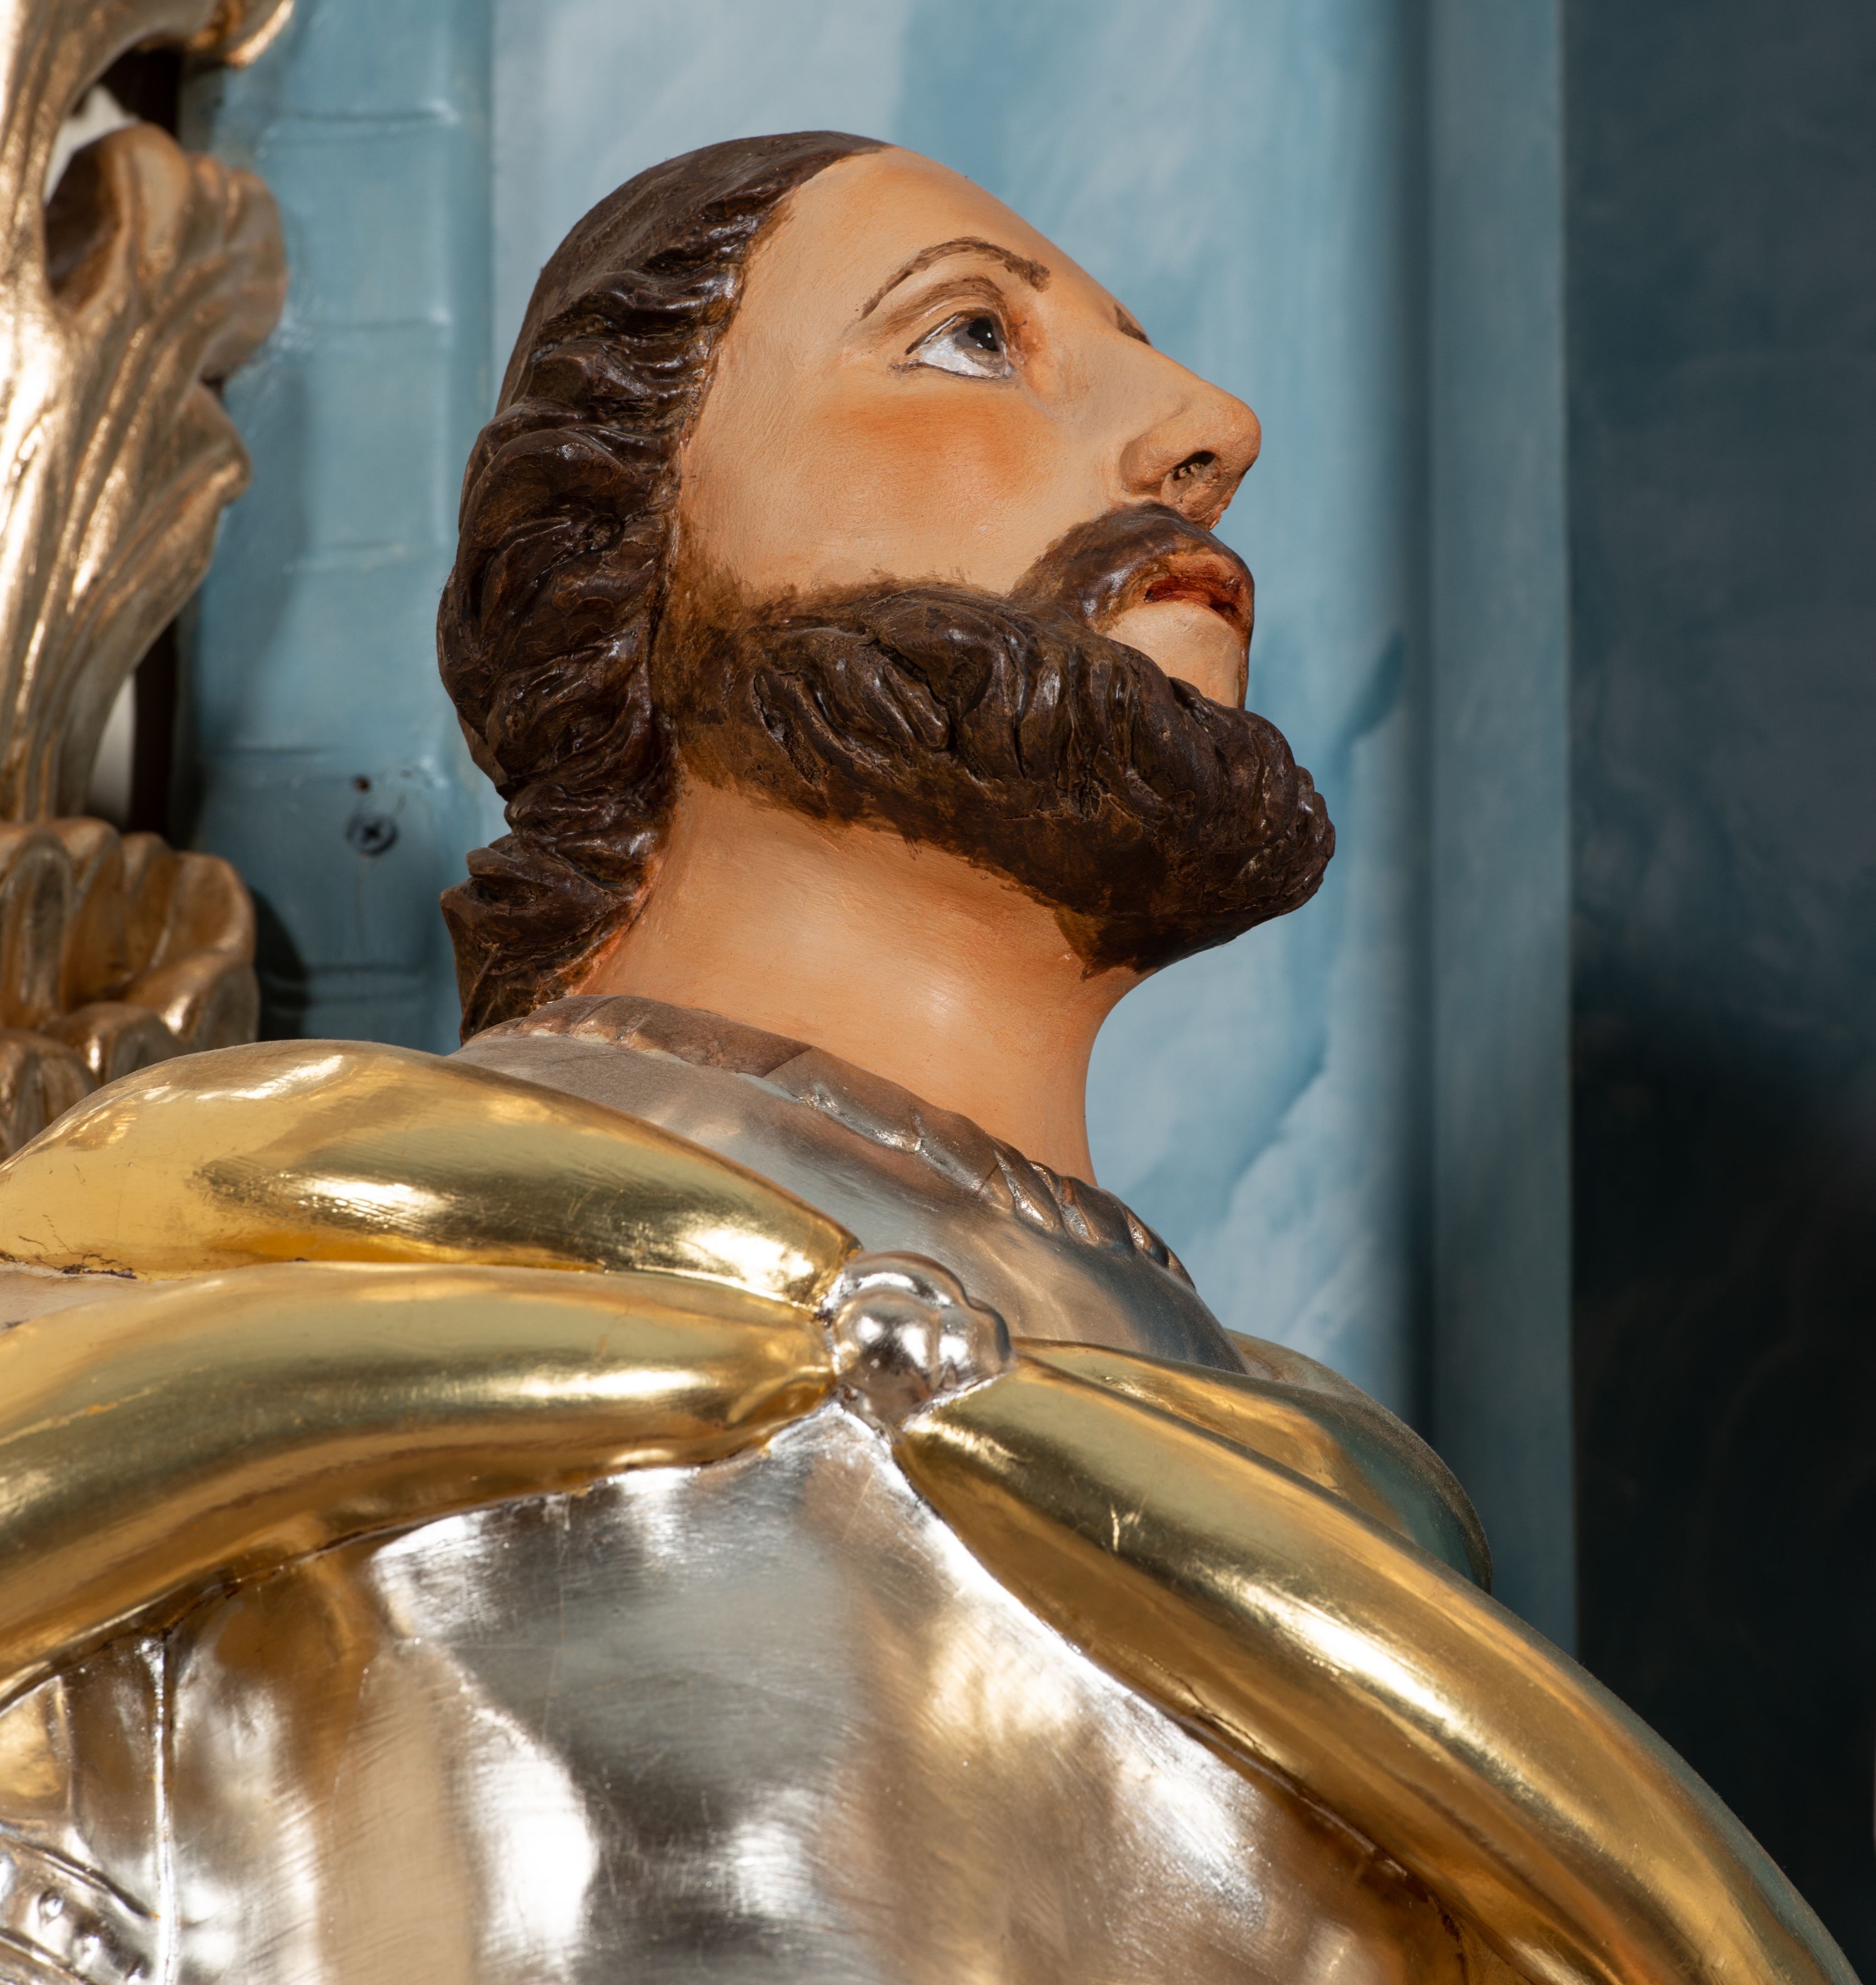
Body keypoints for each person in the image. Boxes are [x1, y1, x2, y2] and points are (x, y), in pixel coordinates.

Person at [0, 134, 1848, 1985]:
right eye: (972, 337)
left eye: (1146, 354)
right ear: (623, 548)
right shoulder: (201, 1365)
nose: (1213, 429)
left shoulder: (1342, 1539)